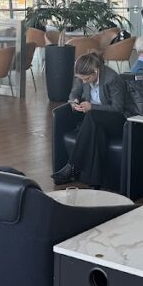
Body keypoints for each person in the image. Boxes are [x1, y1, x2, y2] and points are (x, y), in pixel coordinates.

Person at [52, 52, 128, 187]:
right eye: (81, 79)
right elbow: (75, 92)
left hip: (116, 120)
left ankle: (72, 166)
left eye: (86, 79)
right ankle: (95, 181)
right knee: (96, 131)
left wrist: (92, 107)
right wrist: (73, 101)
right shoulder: (83, 76)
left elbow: (118, 108)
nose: (84, 82)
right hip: (95, 121)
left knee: (92, 116)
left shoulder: (112, 78)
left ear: (96, 71)